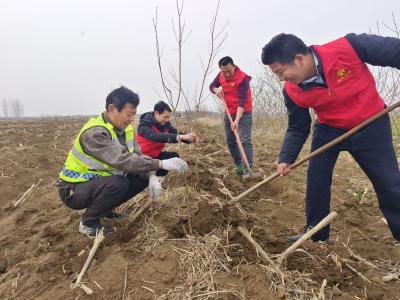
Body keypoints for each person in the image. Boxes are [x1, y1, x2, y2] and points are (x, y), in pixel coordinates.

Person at [261, 33, 400, 243]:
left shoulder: (349, 47)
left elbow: (395, 51)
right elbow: (298, 127)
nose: (282, 79)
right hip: (329, 129)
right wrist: (285, 158)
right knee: (316, 179)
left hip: (371, 122)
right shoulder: (291, 91)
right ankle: (316, 235)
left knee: (389, 183)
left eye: (282, 72)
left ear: (299, 59)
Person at [57, 87, 189, 238]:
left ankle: (104, 209)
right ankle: (88, 223)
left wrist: (151, 176)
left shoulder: (126, 130)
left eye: (134, 114)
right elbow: (123, 160)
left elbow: (137, 157)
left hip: (97, 183)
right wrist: (161, 164)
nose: (132, 118)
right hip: (74, 189)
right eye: (129, 114)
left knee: (140, 177)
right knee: (118, 183)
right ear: (112, 109)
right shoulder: (95, 133)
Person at [209, 56, 254, 175]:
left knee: (244, 140)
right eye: (224, 72)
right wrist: (216, 90)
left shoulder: (243, 78)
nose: (227, 74)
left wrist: (237, 120)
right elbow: (211, 86)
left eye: (229, 71)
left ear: (234, 66)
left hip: (243, 112)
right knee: (230, 140)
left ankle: (248, 168)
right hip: (229, 111)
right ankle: (239, 165)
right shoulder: (220, 75)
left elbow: (242, 101)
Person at [136, 101, 197, 177]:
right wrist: (180, 137)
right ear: (156, 114)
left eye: (168, 117)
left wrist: (188, 138)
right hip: (143, 159)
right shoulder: (144, 126)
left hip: (156, 156)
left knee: (174, 156)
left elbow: (176, 133)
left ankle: (159, 178)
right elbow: (156, 136)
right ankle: (150, 178)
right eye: (165, 117)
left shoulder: (165, 125)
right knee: (143, 176)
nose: (167, 120)